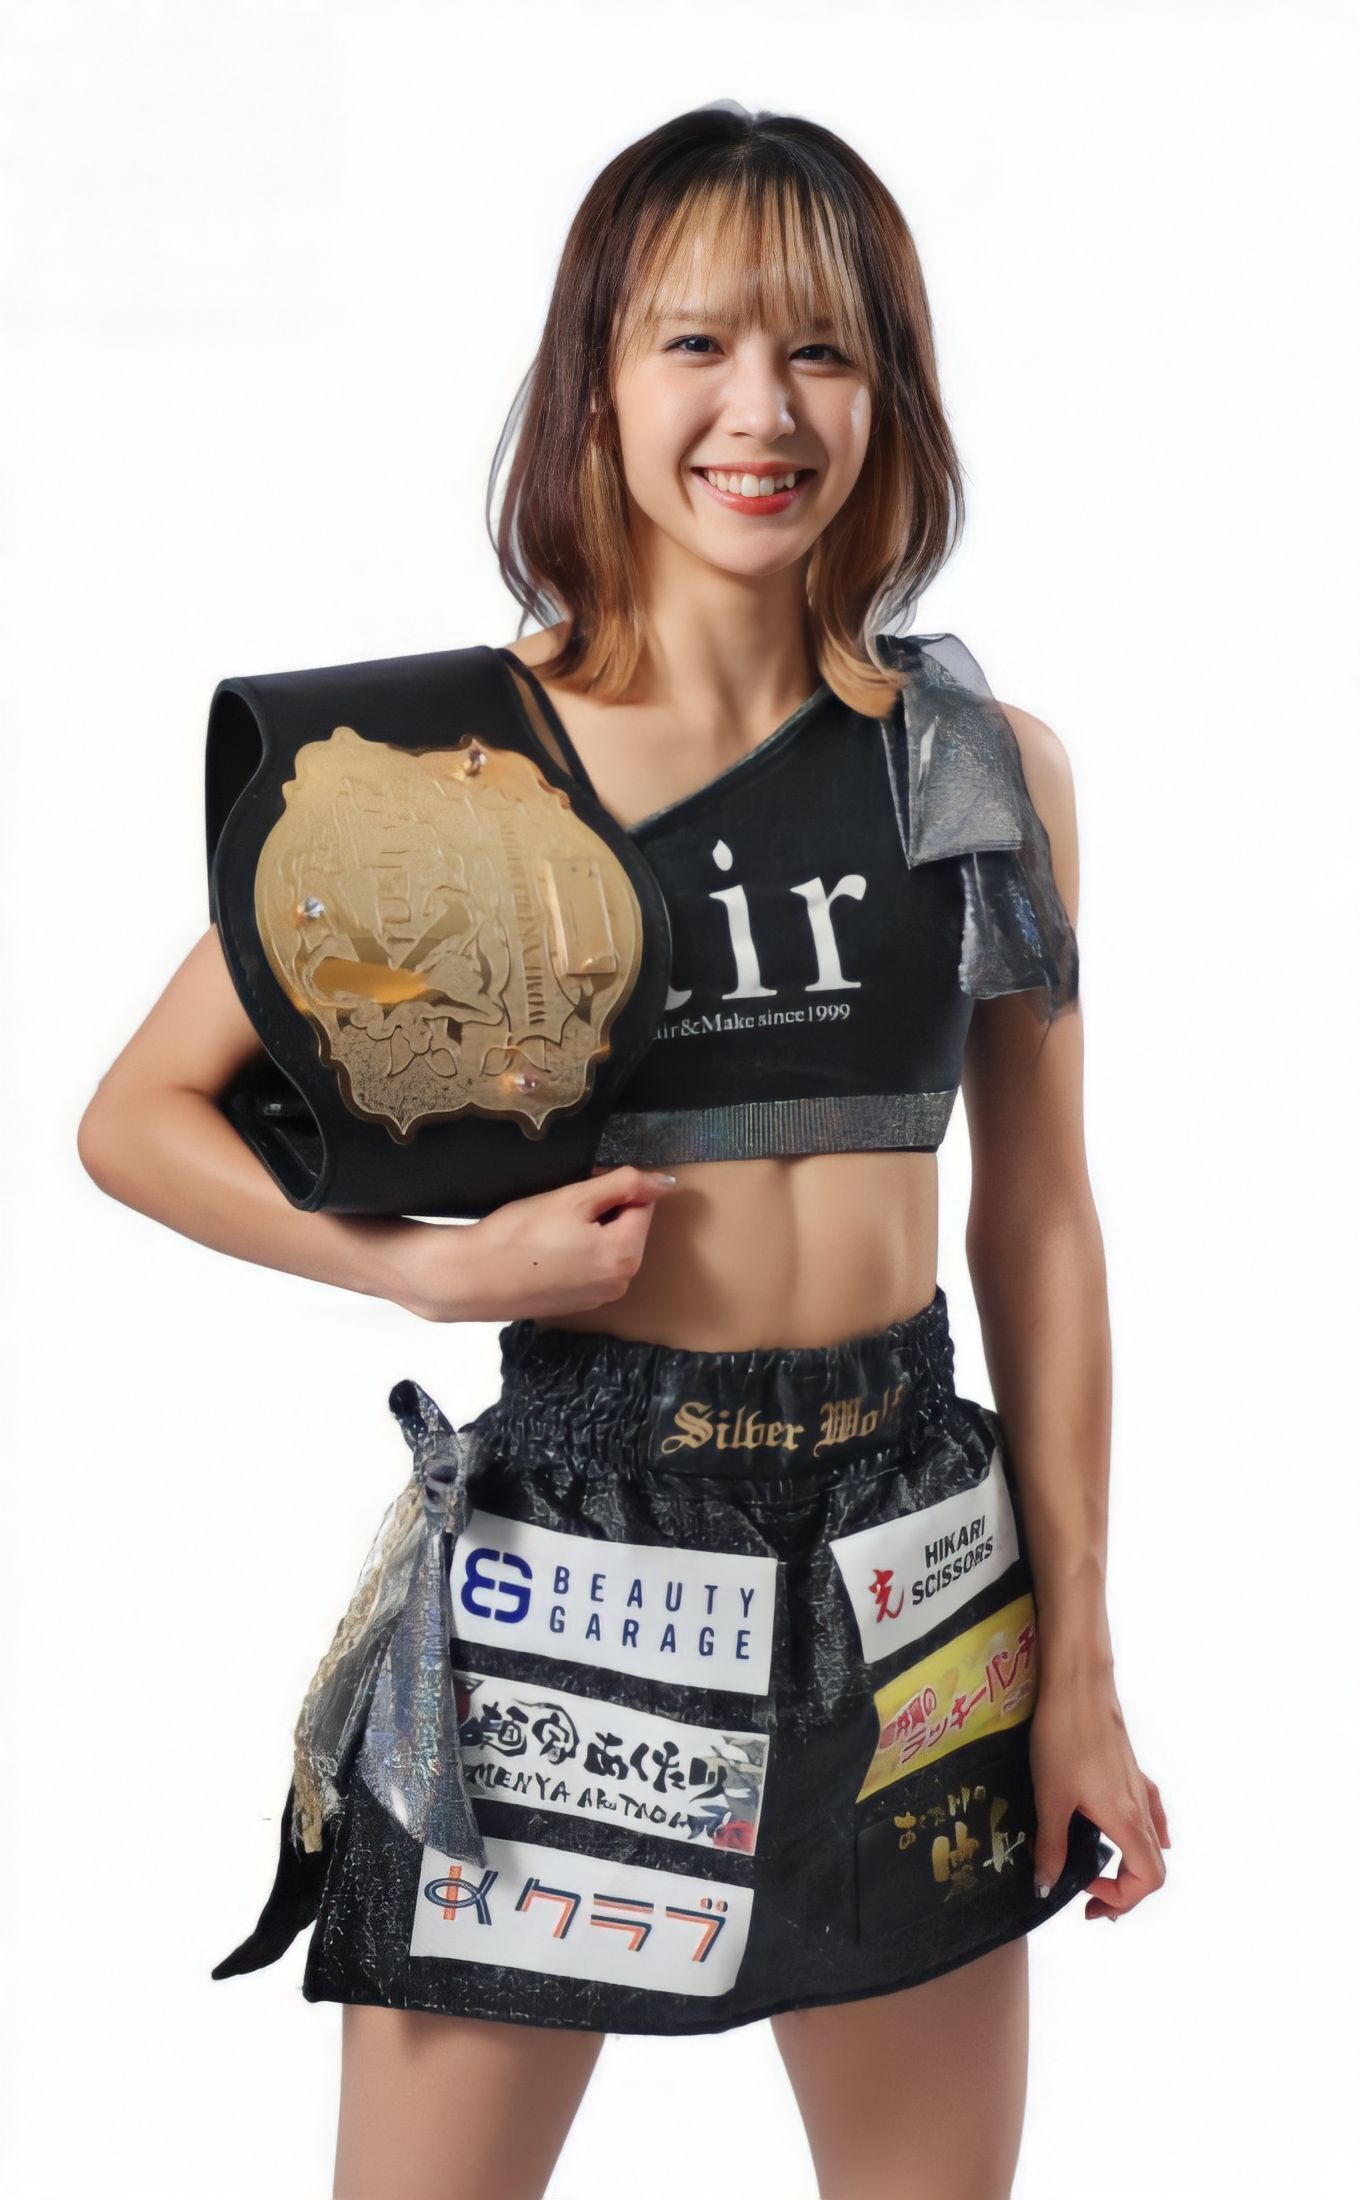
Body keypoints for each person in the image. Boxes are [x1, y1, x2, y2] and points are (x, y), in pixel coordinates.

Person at [77, 100, 1169, 2200]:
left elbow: (1038, 1221)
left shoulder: (982, 768)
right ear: (595, 380)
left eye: (822, 349)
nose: (762, 410)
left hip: (915, 1566)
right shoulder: (455, 766)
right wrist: (431, 1269)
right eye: (695, 345)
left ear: (889, 392)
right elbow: (135, 1116)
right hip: (575, 1550)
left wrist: (1085, 1669)